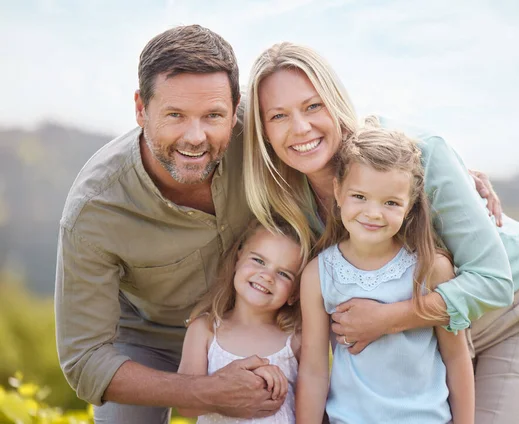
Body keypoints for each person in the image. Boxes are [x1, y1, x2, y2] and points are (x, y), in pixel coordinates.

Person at [243, 42, 519, 423]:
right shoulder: (287, 197)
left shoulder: (420, 154)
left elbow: (494, 281)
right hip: (427, 343)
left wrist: (387, 319)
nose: (300, 127)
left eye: (312, 106)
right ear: (263, 131)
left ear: (335, 101)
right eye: (278, 116)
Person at [55, 25, 286, 424]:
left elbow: (339, 149)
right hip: (151, 338)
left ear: (236, 108)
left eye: (214, 115)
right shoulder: (93, 212)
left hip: (264, 319)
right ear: (141, 108)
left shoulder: (268, 127)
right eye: (175, 115)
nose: (195, 138)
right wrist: (205, 391)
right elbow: (85, 359)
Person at [297, 120, 475, 423]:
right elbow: (314, 369)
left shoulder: (431, 268)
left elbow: (456, 357)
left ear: (409, 206)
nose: (373, 213)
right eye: (359, 197)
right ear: (338, 192)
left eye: (390, 202)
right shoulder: (318, 275)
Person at [177, 218, 303, 424]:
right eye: (259, 261)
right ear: (238, 258)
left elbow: (315, 405)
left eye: (283, 274)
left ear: (294, 294)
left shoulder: (296, 339)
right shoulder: (204, 329)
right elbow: (185, 405)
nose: (267, 276)